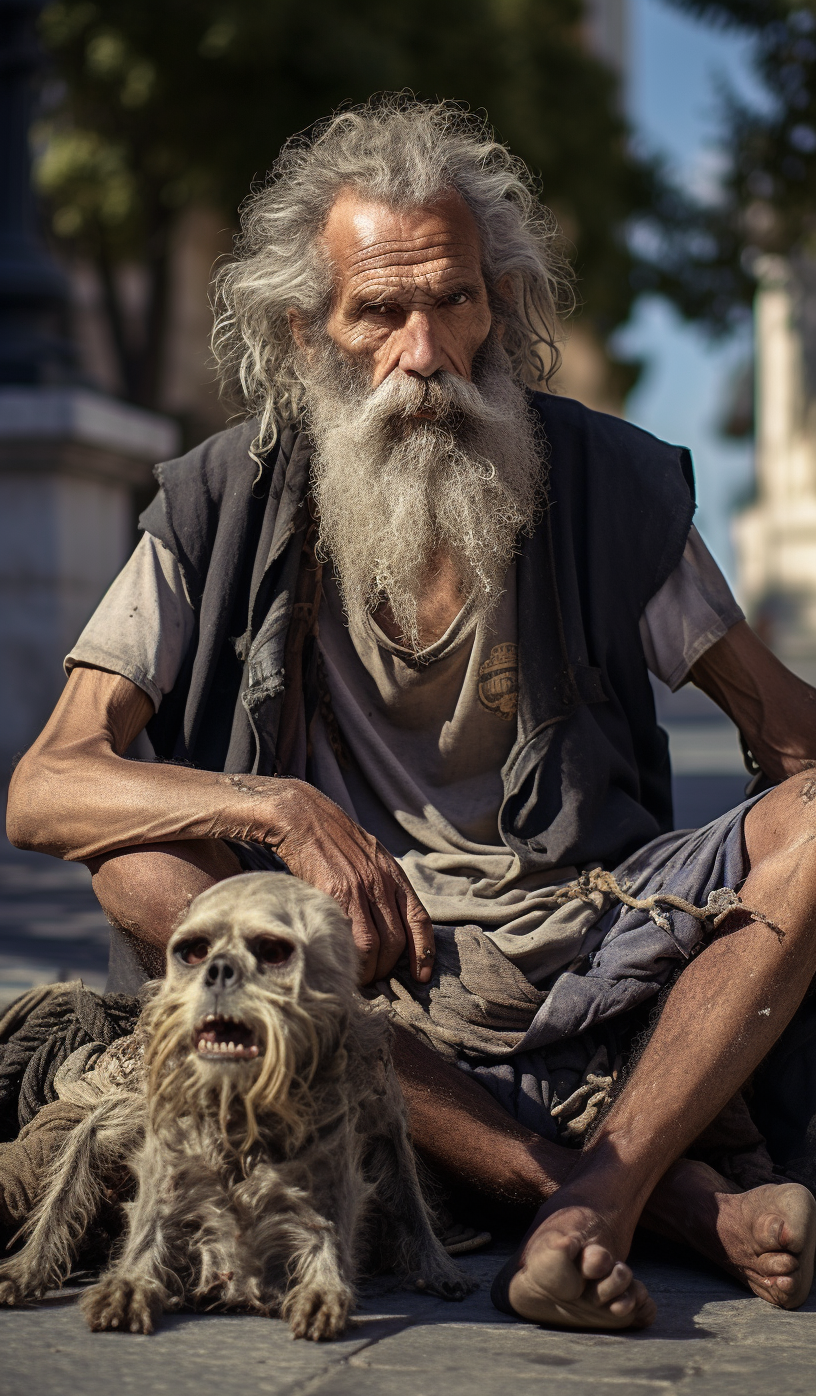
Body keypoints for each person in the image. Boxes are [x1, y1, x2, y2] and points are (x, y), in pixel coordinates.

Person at [9, 98, 816, 1332]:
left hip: (592, 954)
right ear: (307, 331)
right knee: (144, 867)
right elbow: (45, 786)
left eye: (454, 301)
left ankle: (593, 1189)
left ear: (501, 304)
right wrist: (275, 807)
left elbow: (786, 733)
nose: (426, 353)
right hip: (349, 983)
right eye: (380, 312)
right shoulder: (222, 498)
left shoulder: (600, 482)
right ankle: (625, 1202)